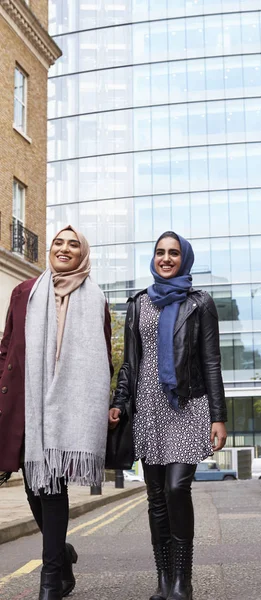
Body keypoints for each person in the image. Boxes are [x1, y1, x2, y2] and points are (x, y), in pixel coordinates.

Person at [109, 231, 227, 600]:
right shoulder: (139, 303)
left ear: (184, 258)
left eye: (173, 253)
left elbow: (211, 360)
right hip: (147, 407)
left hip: (187, 405)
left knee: (177, 488)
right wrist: (119, 400)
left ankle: (183, 579)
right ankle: (164, 578)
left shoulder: (200, 302)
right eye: (160, 252)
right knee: (156, 495)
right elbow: (130, 362)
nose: (166, 258)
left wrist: (218, 416)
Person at [0, 226, 113, 600]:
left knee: (52, 487)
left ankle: (51, 579)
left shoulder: (95, 299)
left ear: (83, 253)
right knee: (34, 487)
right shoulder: (24, 293)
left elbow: (103, 360)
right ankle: (61, 553)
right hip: (25, 401)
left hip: (68, 406)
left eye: (73, 244)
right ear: (50, 250)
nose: (64, 249)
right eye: (58, 243)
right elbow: (6, 348)